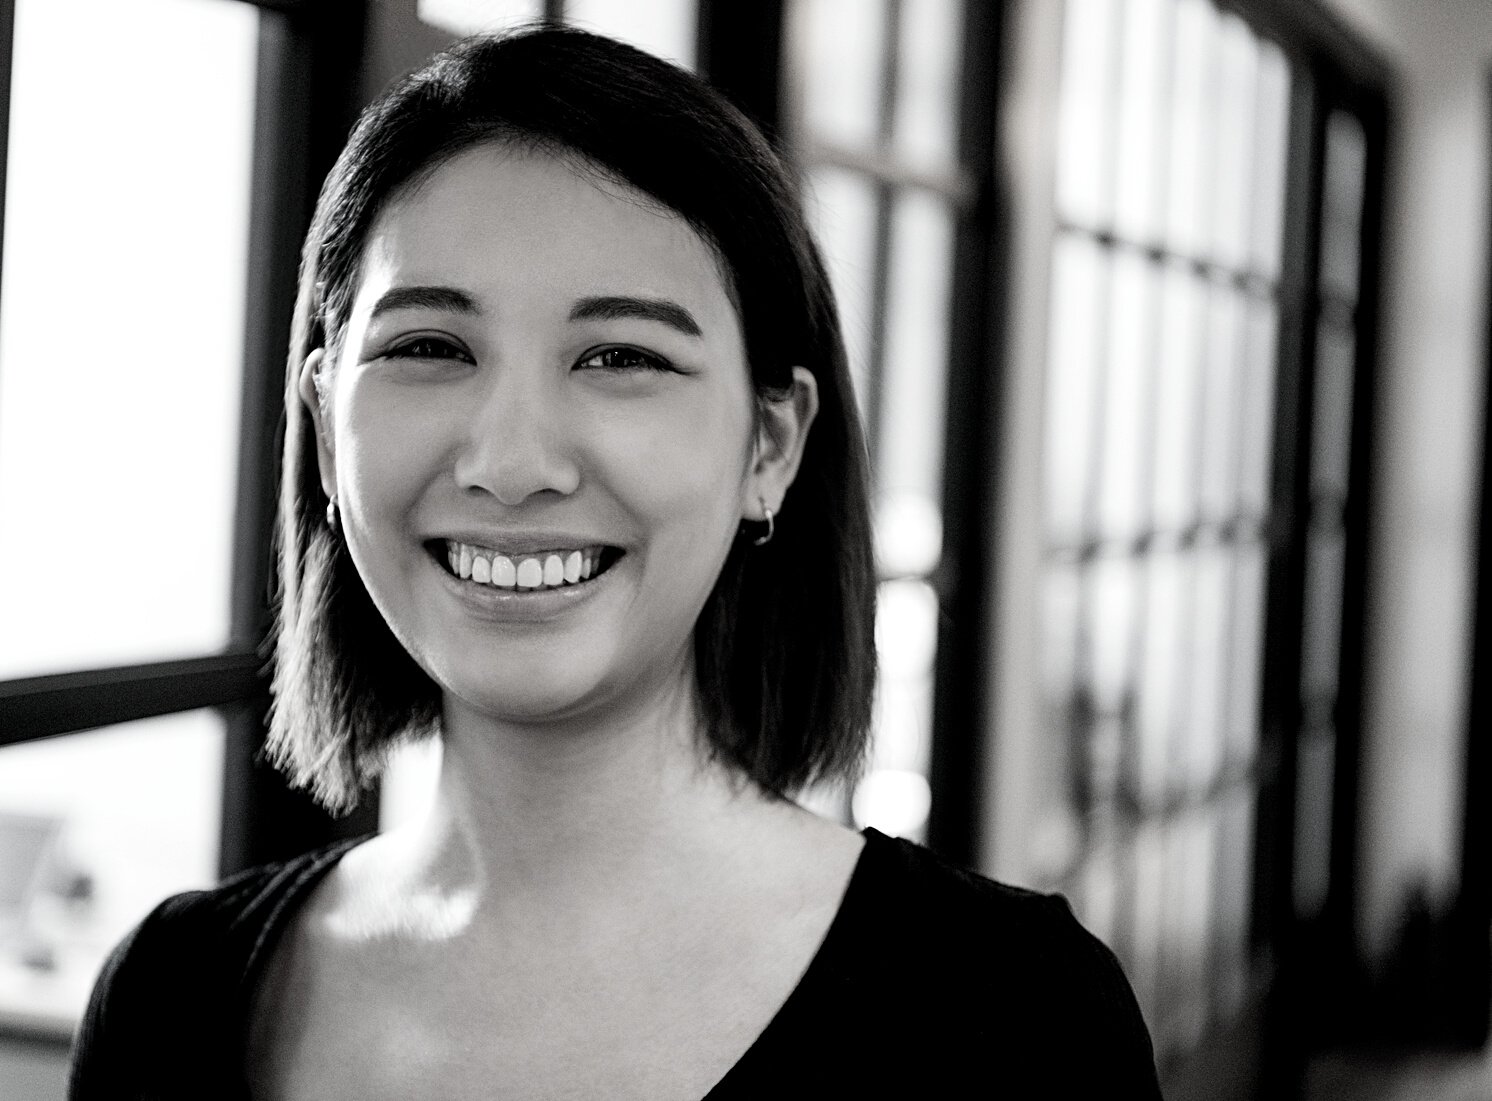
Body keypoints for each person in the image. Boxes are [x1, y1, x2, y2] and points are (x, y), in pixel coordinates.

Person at [68, 23, 1162, 1100]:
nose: (508, 463)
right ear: (322, 417)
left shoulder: (1011, 1015)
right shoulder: (174, 998)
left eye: (620, 357)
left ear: (769, 446)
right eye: (429, 348)